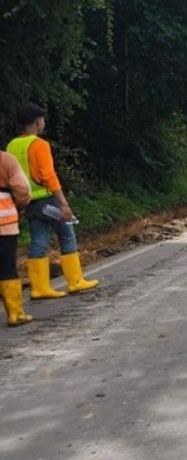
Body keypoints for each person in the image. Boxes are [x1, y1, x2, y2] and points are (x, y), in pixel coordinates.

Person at [6, 104, 97, 300]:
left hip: (27, 202)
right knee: (66, 234)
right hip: (47, 201)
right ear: (38, 121)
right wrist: (63, 203)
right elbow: (48, 175)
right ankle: (75, 281)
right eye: (43, 120)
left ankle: (39, 288)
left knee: (38, 239)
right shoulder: (39, 145)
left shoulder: (12, 145)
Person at [0, 144, 33, 325]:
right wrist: (17, 206)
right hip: (4, 223)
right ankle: (15, 314)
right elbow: (22, 190)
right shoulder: (5, 159)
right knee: (7, 268)